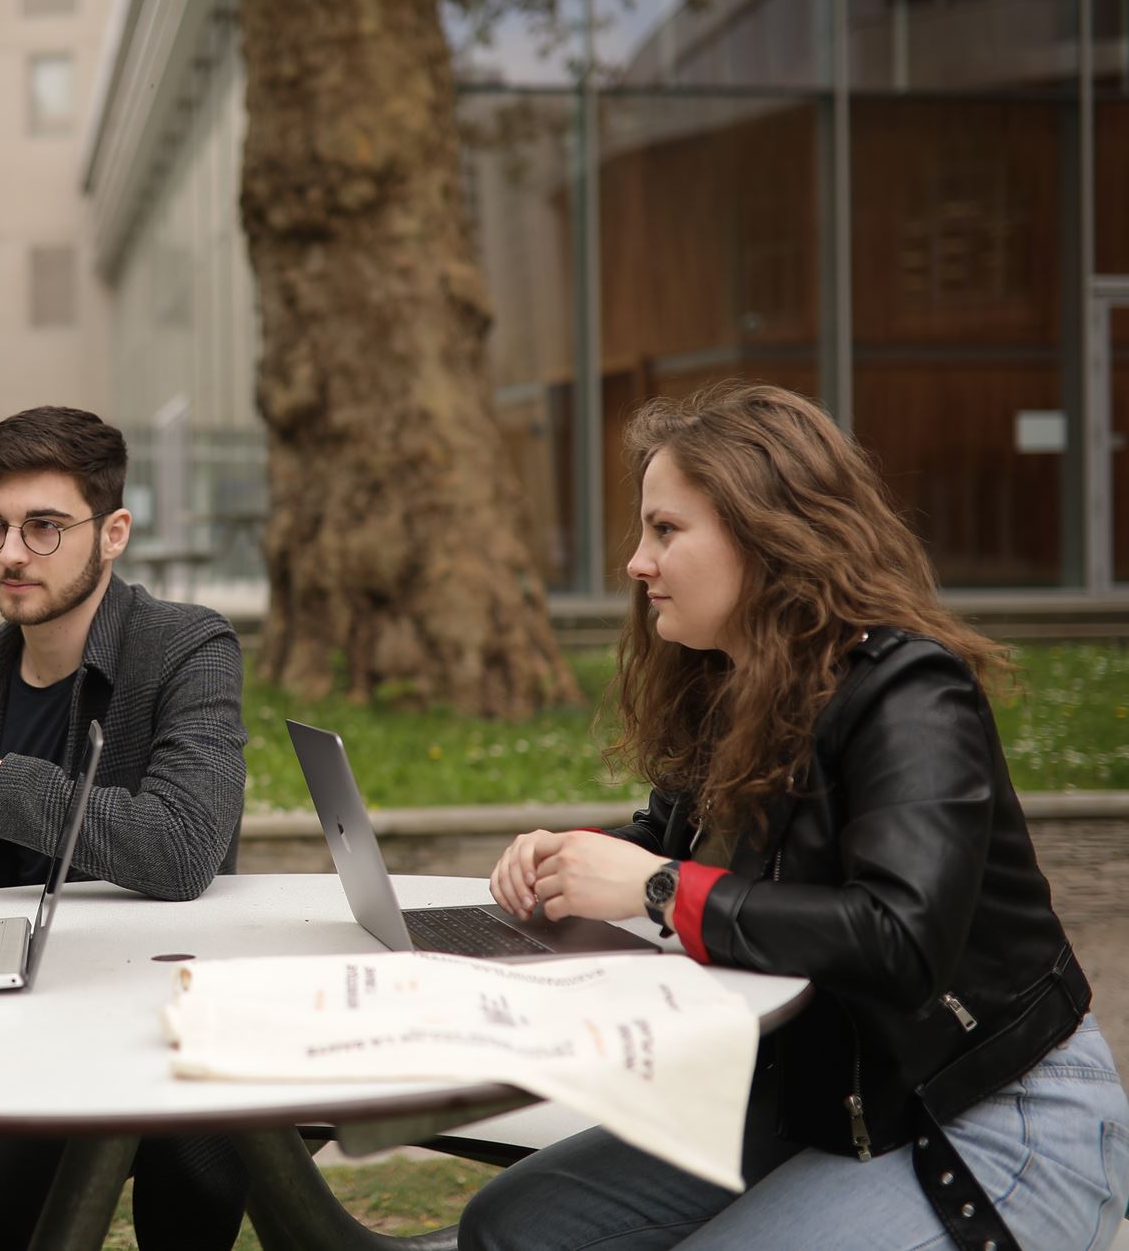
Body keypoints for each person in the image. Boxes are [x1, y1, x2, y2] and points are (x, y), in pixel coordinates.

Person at [461, 382, 1129, 1249]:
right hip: (830, 1092)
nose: (635, 561)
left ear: (767, 533)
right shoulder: (732, 685)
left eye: (665, 530)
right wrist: (574, 858)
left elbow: (901, 937)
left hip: (992, 1113)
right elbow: (673, 842)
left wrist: (660, 887)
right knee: (513, 1224)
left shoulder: (909, 691)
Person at [0, 406, 251, 1250]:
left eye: (45, 526)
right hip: (15, 1028)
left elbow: (180, 847)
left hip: (162, 1018)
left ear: (113, 532)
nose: (11, 553)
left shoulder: (187, 649)